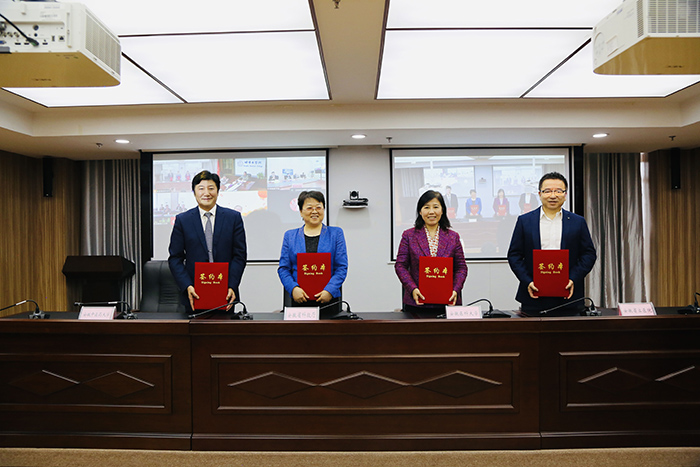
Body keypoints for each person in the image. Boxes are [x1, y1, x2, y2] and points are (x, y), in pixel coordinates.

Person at [507, 172, 596, 315]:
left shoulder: (577, 222)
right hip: (533, 296)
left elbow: (589, 254)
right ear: (540, 194)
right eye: (547, 191)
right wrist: (528, 281)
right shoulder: (525, 221)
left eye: (558, 191)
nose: (553, 195)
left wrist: (573, 278)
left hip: (569, 296)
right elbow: (514, 255)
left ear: (565, 194)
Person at [168, 170, 247, 312]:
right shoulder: (183, 220)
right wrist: (187, 285)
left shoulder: (233, 218)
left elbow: (239, 256)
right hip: (194, 293)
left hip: (226, 293)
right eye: (201, 188)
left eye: (211, 188)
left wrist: (232, 285)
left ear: (218, 191)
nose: (206, 193)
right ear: (194, 192)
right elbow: (175, 258)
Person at [395, 190, 468, 314]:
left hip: (447, 303)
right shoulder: (409, 235)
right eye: (426, 207)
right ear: (420, 211)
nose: (431, 212)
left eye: (435, 207)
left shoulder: (453, 237)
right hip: (416, 303)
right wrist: (413, 289)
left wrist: (455, 290)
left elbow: (461, 268)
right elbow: (400, 266)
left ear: (442, 210)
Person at [278, 191, 348, 311]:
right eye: (309, 208)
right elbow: (283, 268)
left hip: (329, 299)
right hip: (299, 299)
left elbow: (341, 267)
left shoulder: (336, 234)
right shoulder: (290, 236)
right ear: (301, 211)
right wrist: (294, 289)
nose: (314, 211)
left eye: (319, 207)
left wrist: (329, 290)